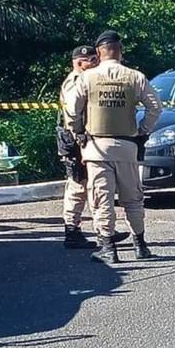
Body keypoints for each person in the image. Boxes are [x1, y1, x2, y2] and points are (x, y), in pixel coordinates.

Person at [67, 30, 163, 263]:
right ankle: (140, 245)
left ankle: (108, 249)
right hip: (127, 147)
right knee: (132, 198)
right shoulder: (135, 77)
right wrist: (142, 130)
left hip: (97, 149)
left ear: (99, 52)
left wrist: (78, 131)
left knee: (102, 199)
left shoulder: (87, 78)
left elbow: (72, 110)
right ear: (120, 51)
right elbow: (156, 107)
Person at [57, 46, 99, 249]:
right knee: (77, 186)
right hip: (74, 140)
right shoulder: (75, 82)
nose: (96, 63)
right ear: (79, 62)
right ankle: (72, 232)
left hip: (78, 138)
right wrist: (81, 141)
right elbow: (74, 114)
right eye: (92, 59)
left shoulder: (84, 79)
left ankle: (100, 229)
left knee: (87, 184)